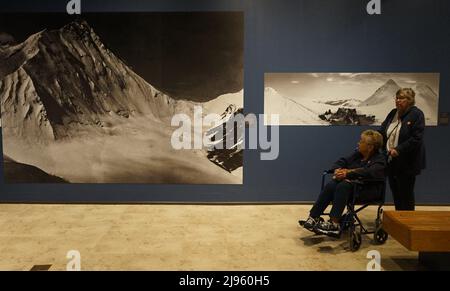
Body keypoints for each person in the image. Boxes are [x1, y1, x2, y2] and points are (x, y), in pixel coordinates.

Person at [300, 130, 386, 237]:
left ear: (370, 147)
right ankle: (313, 217)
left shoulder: (380, 159)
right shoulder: (358, 154)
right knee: (332, 184)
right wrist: (337, 169)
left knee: (343, 185)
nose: (358, 143)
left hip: (368, 190)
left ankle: (334, 224)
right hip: (352, 188)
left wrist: (349, 173)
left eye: (361, 141)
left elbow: (369, 172)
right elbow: (342, 161)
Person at [379, 88, 426, 211]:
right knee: (396, 194)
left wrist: (398, 149)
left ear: (410, 100)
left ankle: (408, 222)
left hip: (407, 162)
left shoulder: (417, 114)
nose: (398, 101)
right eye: (397, 98)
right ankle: (399, 221)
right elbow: (382, 131)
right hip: (391, 160)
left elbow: (417, 138)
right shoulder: (393, 113)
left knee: (406, 194)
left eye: (401, 98)